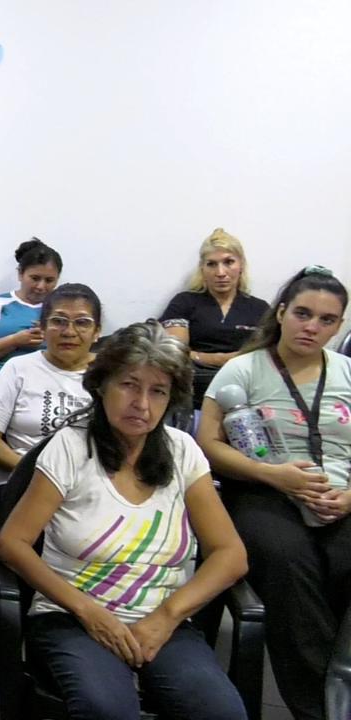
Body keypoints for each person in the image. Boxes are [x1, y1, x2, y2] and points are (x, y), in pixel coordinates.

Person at [0, 322, 249, 719]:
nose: (142, 404)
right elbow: (11, 543)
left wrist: (167, 617)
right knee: (107, 709)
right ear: (102, 386)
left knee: (221, 712)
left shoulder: (183, 451)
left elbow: (230, 554)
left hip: (161, 618)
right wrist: (88, 612)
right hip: (73, 617)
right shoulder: (72, 447)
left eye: (158, 391)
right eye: (129, 385)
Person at [196, 266, 351, 720]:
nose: (312, 326)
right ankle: (322, 706)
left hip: (340, 495)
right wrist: (274, 476)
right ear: (281, 312)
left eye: (326, 320)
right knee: (288, 564)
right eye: (302, 313)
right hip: (264, 493)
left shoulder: (347, 372)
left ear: (338, 326)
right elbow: (208, 443)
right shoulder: (243, 369)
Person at [0, 283, 100, 487]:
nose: (69, 331)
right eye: (58, 321)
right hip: (26, 480)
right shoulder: (18, 368)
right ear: (42, 327)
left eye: (82, 322)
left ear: (96, 332)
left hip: (91, 484)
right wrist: (38, 474)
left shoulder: (111, 374)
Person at [159, 228, 269, 404]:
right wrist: (219, 359)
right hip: (192, 392)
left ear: (241, 265)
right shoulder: (185, 302)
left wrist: (201, 356)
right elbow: (174, 352)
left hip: (247, 393)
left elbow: (268, 355)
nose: (220, 272)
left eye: (229, 262)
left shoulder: (259, 308)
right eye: (211, 264)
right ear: (202, 268)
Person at [0, 238, 63, 378]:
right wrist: (15, 341)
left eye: (49, 280)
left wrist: (50, 337)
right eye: (35, 278)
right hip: (3, 379)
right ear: (20, 274)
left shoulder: (62, 308)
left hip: (52, 380)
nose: (41, 286)